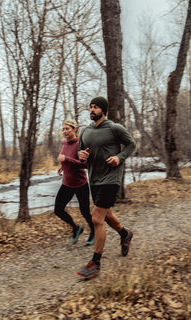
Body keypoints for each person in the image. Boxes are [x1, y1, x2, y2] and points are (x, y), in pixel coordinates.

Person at [77, 96, 136, 279]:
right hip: (94, 178)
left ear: (103, 110)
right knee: (106, 214)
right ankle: (125, 234)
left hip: (111, 178)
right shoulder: (85, 131)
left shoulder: (114, 128)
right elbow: (81, 154)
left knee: (96, 218)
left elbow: (131, 144)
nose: (91, 110)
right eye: (90, 107)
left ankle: (96, 262)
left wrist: (119, 157)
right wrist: (81, 156)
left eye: (95, 107)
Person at [54, 119, 95, 245]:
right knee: (58, 210)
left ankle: (94, 232)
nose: (65, 131)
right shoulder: (64, 143)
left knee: (85, 212)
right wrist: (62, 166)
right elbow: (66, 160)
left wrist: (66, 159)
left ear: (75, 129)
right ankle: (76, 228)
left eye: (68, 129)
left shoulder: (80, 144)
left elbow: (85, 164)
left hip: (80, 184)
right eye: (63, 129)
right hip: (67, 183)